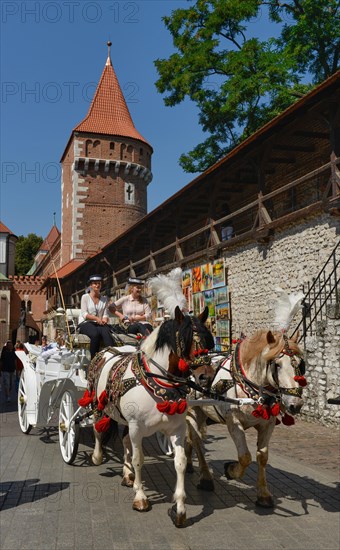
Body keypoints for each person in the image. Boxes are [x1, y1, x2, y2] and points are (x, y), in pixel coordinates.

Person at [78, 274, 113, 358]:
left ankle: (111, 356)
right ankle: (94, 359)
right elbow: (84, 314)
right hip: (85, 323)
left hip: (99, 324)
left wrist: (104, 319)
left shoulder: (104, 299)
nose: (97, 285)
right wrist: (96, 318)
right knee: (95, 334)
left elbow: (105, 313)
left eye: (99, 283)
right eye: (95, 283)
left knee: (107, 333)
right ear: (91, 285)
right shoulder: (85, 297)